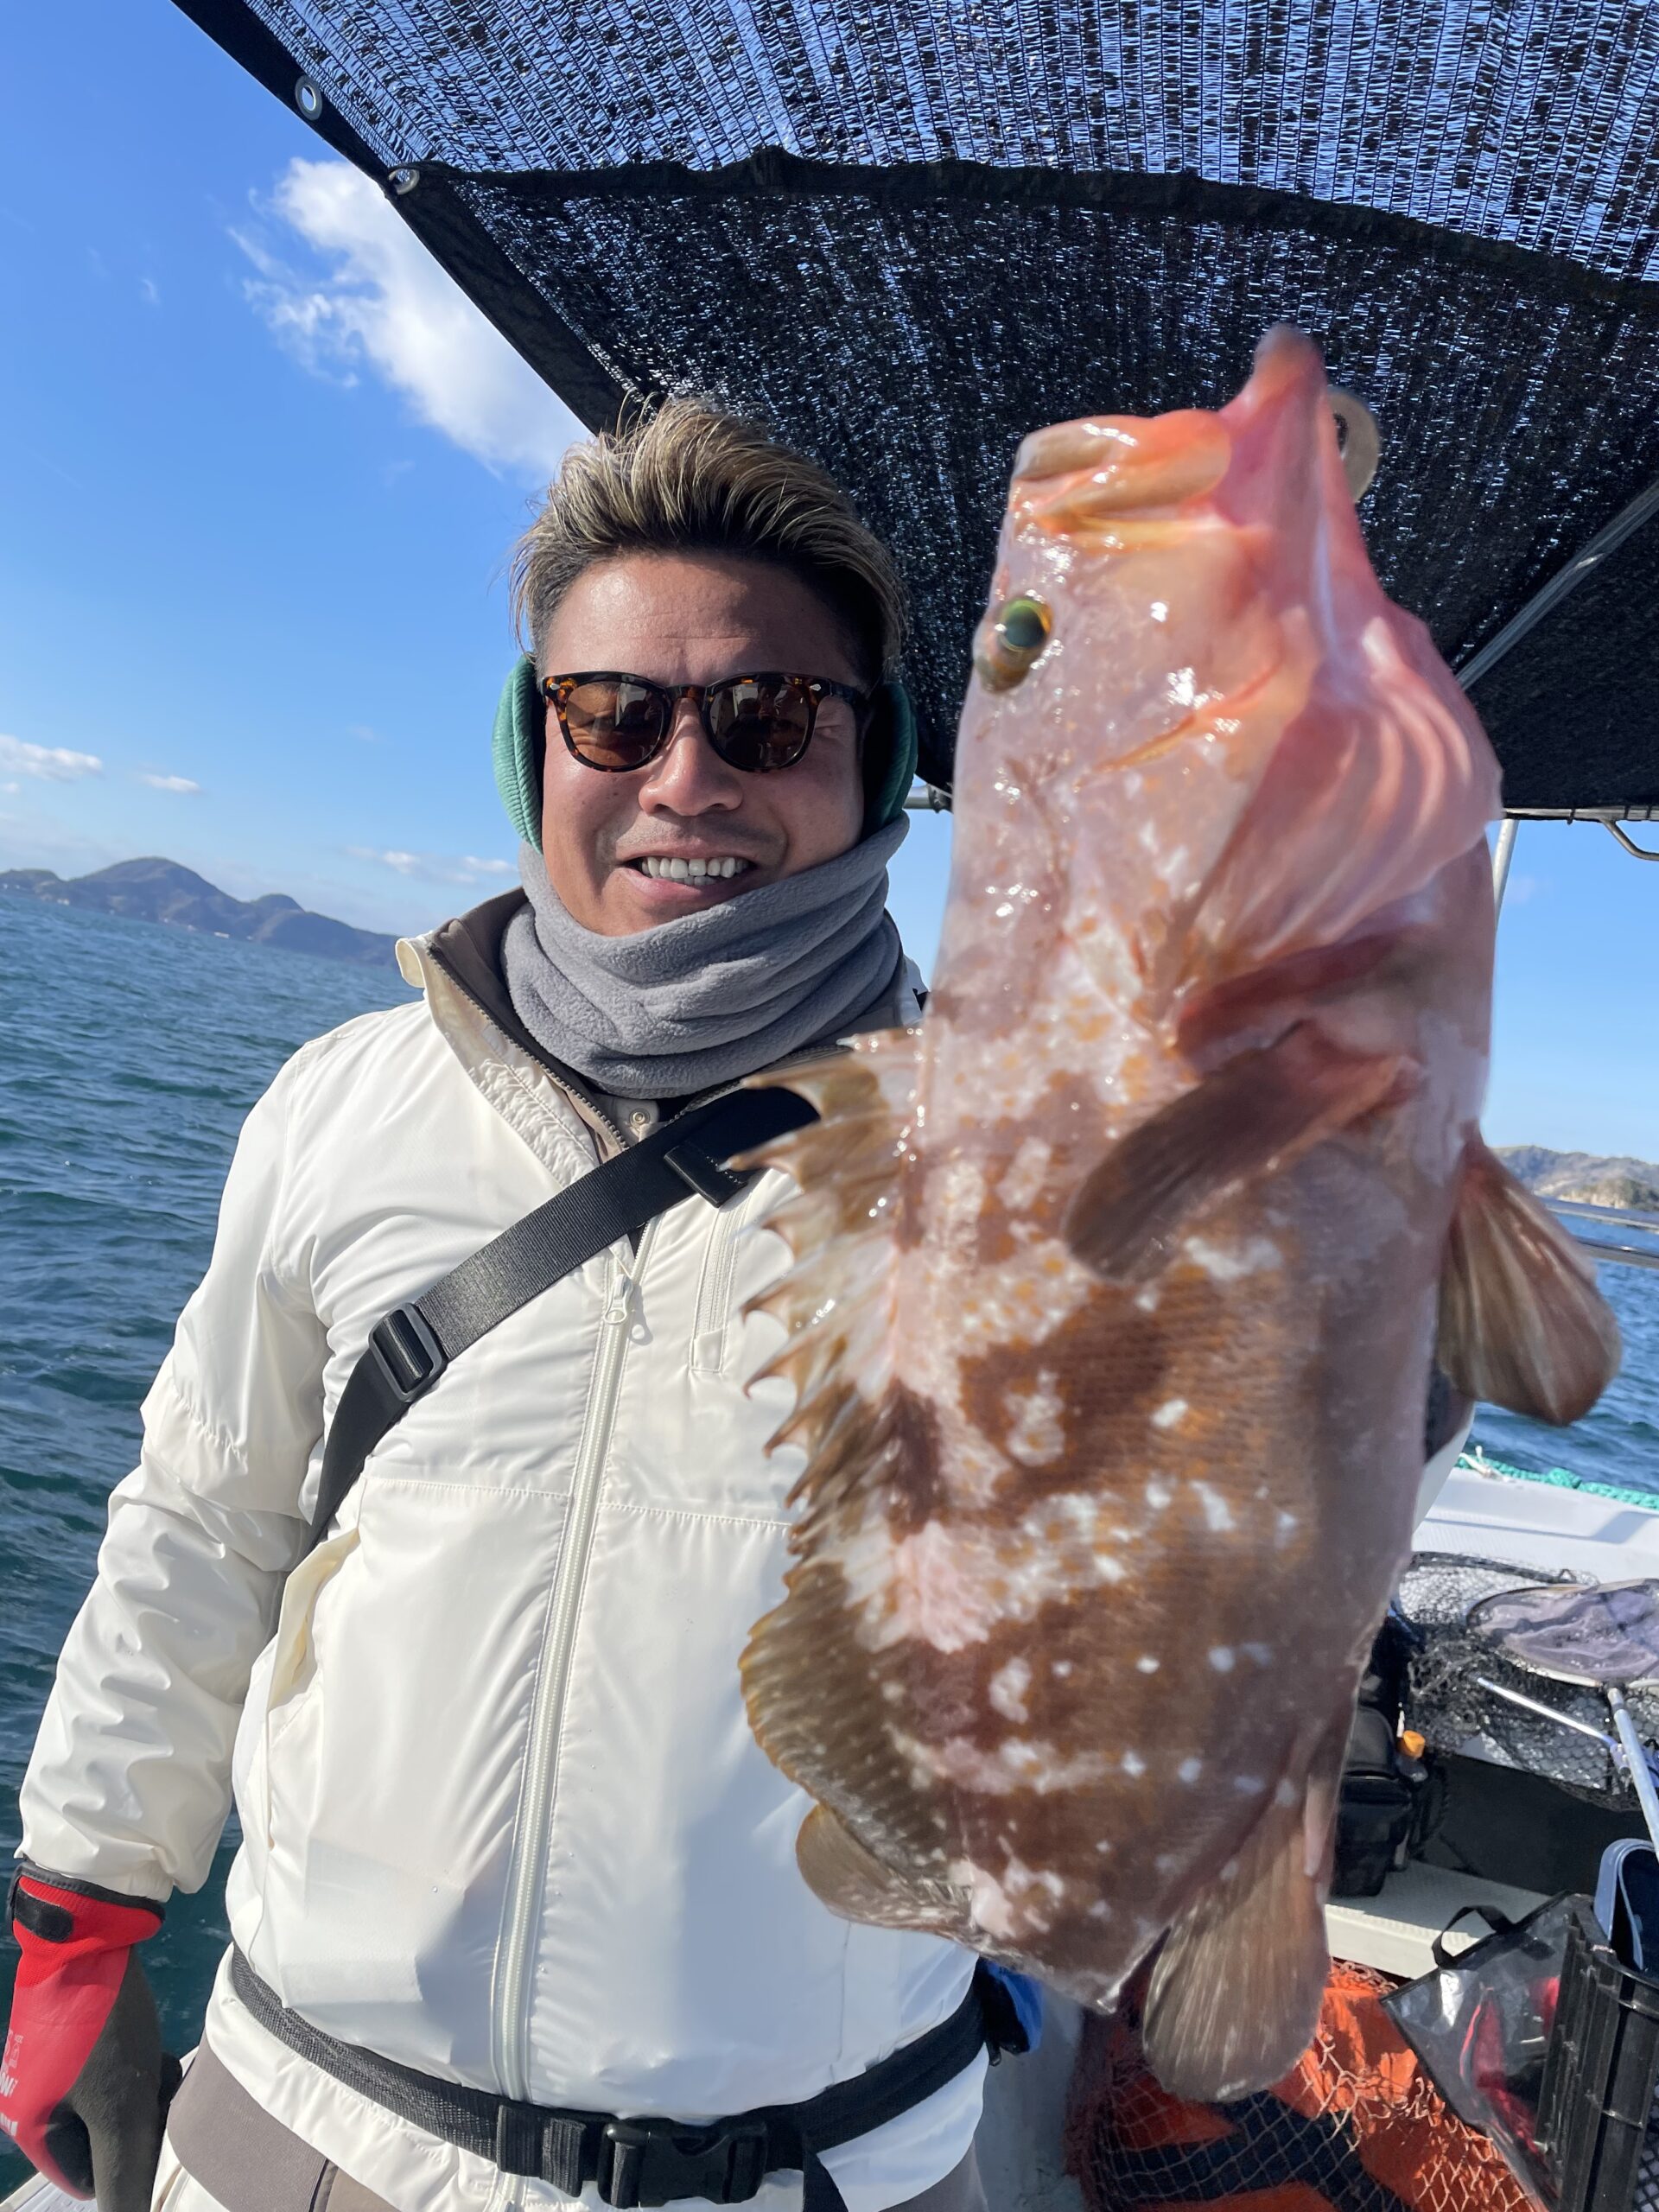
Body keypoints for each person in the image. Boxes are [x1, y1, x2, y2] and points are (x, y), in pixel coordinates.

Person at [2, 402, 1007, 2212]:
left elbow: (1228, 1506)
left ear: (880, 763)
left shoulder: (1030, 1165)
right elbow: (205, 1522)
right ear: (532, 745)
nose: (685, 777)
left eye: (769, 713)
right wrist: (84, 1900)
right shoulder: (341, 1104)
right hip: (312, 2127)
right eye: (614, 712)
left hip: (822, 2170)